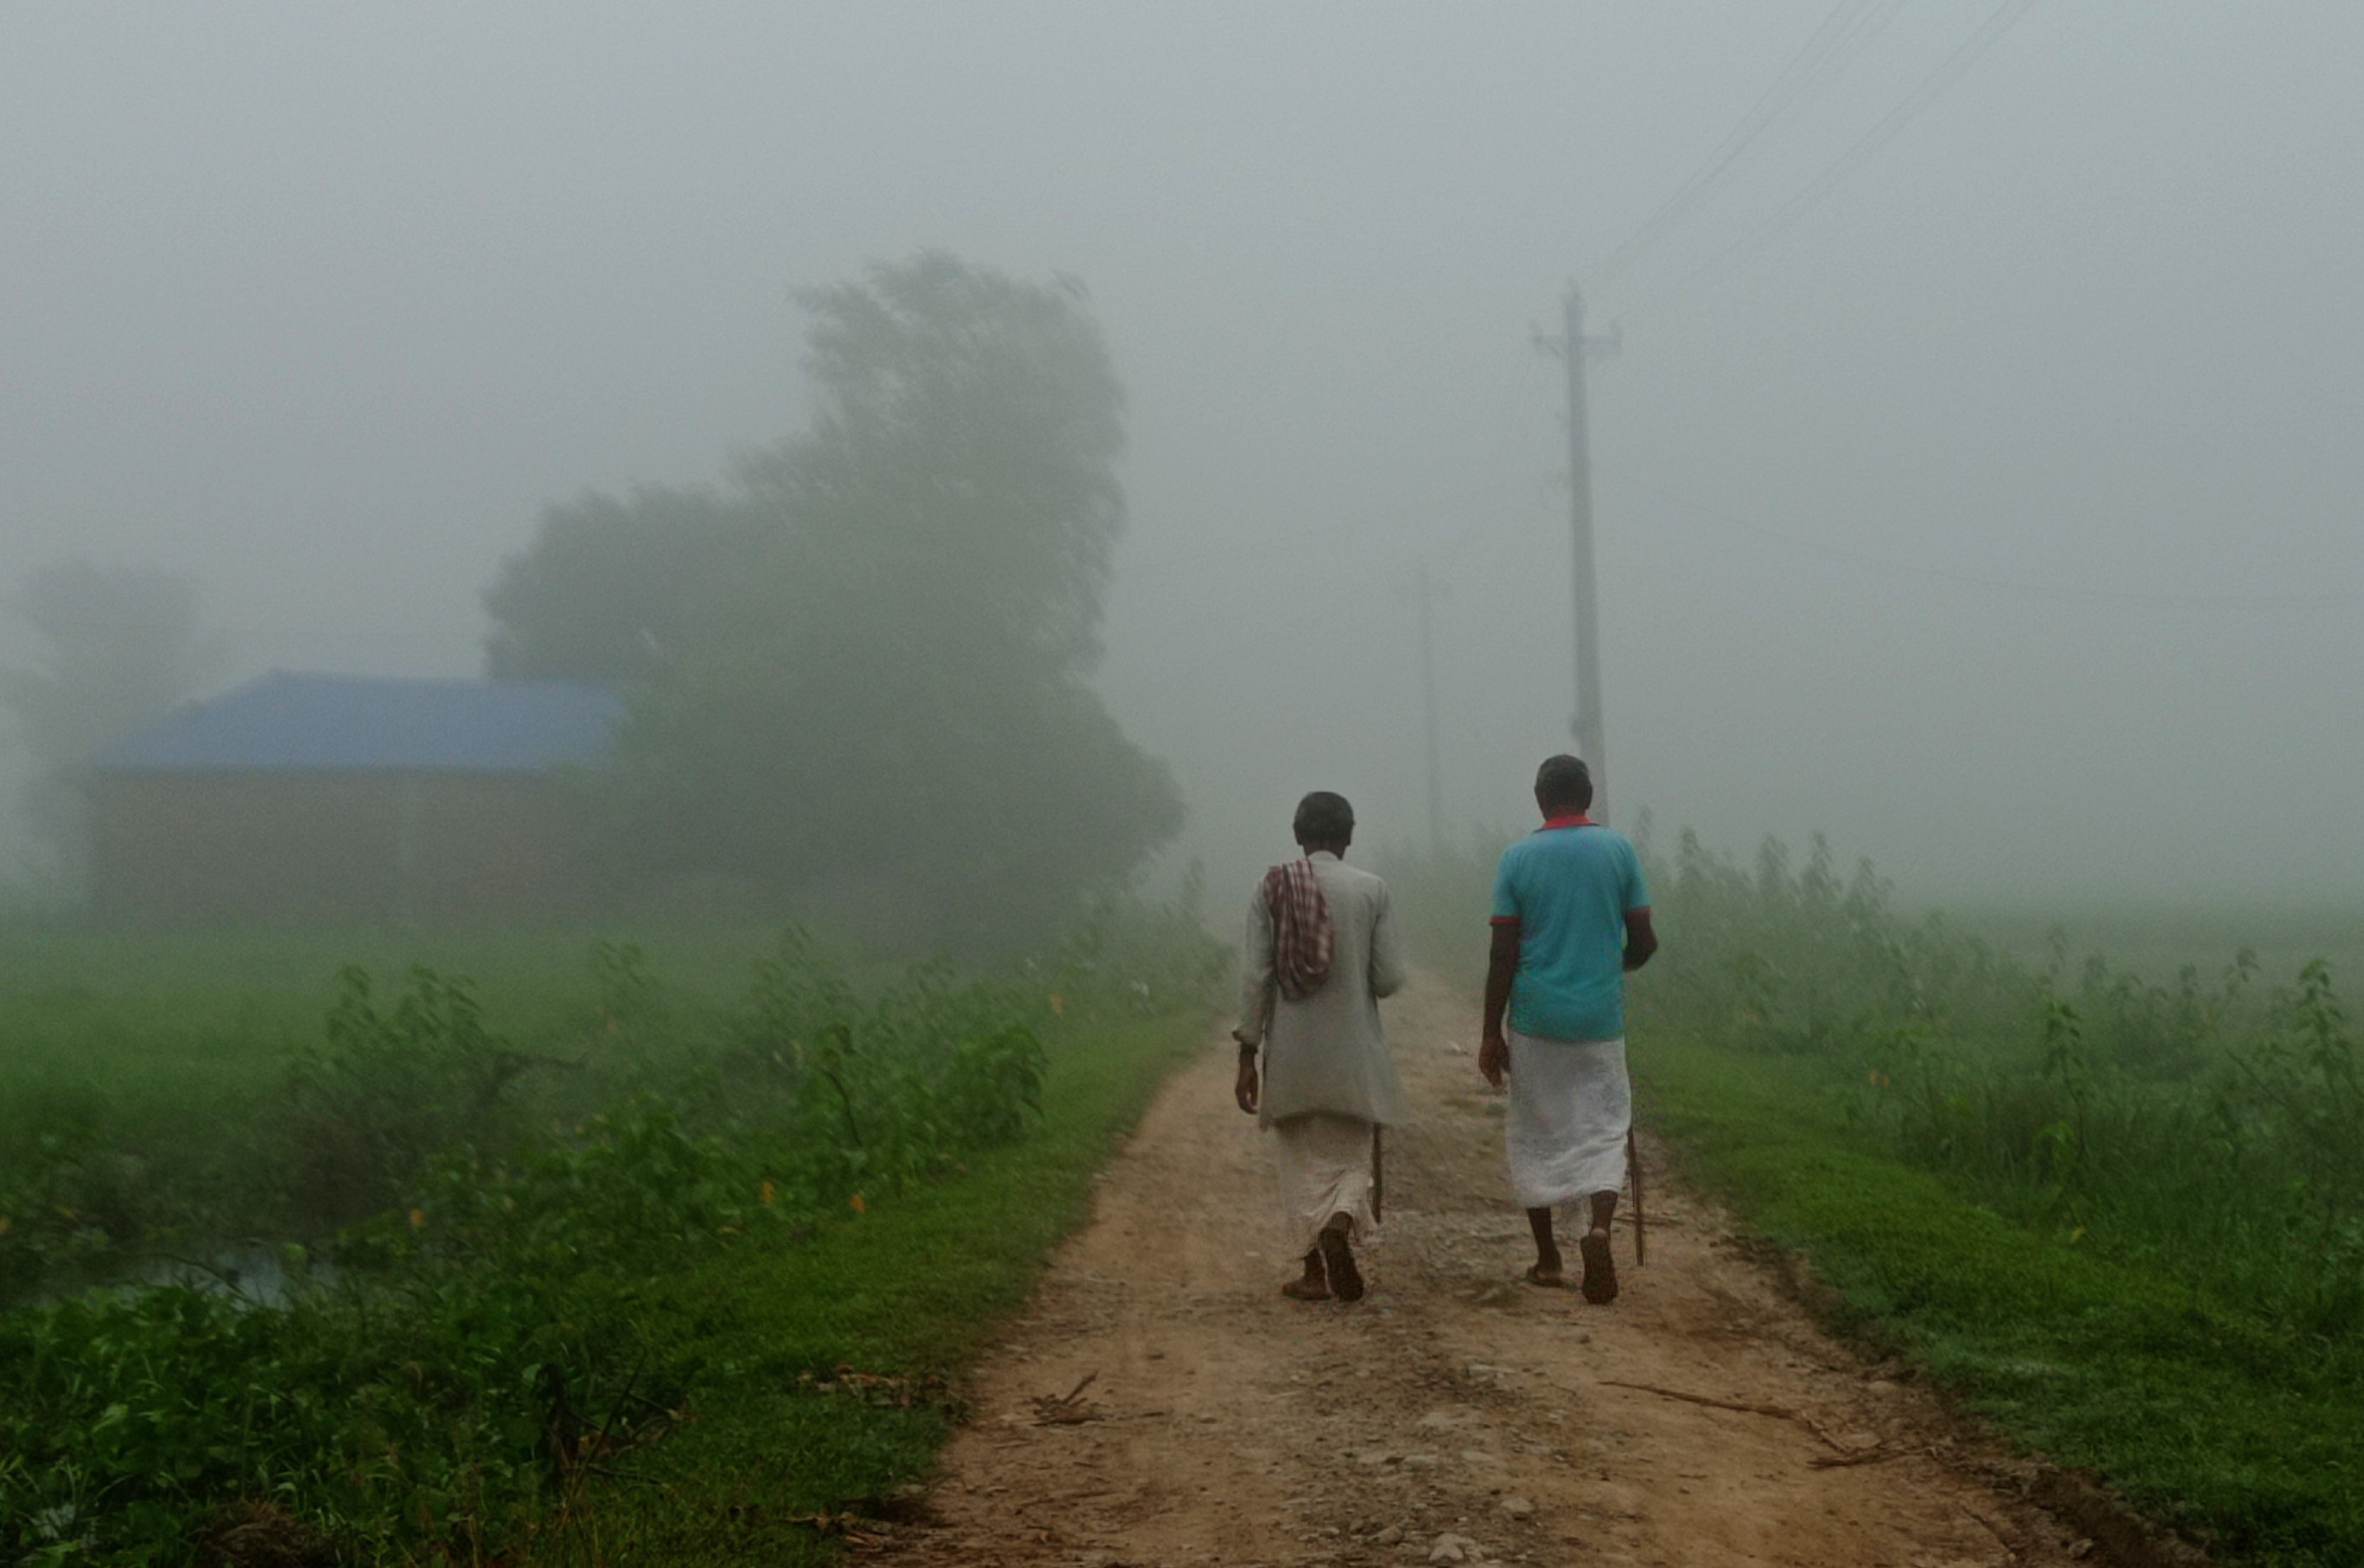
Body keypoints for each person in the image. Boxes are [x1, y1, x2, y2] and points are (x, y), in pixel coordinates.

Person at [1479, 755, 1657, 1304]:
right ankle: (1599, 1230)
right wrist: (1611, 965)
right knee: (1604, 1129)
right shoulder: (1619, 850)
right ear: (1589, 795)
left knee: (1537, 1131)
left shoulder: (1517, 858)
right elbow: (1645, 942)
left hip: (1536, 1021)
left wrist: (1491, 1032)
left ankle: (1549, 1259)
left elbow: (1504, 952)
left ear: (1540, 797)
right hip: (1600, 1020)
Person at [1233, 791, 1409, 1302]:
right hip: (1354, 1055)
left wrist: (1247, 1054)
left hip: (1290, 1054)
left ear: (1297, 835)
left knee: (1300, 1164)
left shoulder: (1272, 888)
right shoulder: (1372, 890)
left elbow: (1255, 977)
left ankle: (1313, 1273)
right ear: (1349, 836)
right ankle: (1338, 1220)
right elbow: (1389, 977)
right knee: (1352, 1158)